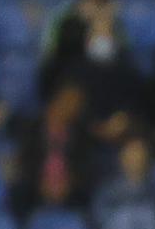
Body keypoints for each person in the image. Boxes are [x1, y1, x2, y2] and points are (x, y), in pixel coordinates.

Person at [11, 83, 99, 221]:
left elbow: (84, 165)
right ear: (55, 101)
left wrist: (70, 183)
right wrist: (40, 183)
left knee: (88, 200)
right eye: (67, 102)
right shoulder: (32, 128)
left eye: (76, 105)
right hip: (37, 185)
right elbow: (25, 160)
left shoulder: (81, 134)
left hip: (68, 187)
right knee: (18, 195)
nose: (71, 108)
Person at [92, 136, 155, 229]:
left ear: (146, 159)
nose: (135, 160)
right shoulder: (109, 189)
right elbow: (100, 218)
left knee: (148, 215)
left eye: (139, 156)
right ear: (122, 160)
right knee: (124, 216)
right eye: (131, 156)